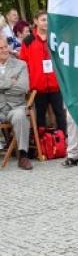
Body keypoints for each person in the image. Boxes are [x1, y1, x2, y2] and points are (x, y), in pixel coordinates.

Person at [19, 10, 67, 136]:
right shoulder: (28, 41)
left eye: (47, 20)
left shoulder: (55, 38)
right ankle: (43, 141)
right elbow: (23, 63)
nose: (46, 22)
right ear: (36, 21)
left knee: (60, 113)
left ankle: (63, 139)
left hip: (55, 84)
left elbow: (63, 59)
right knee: (40, 115)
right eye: (43, 20)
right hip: (38, 87)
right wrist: (28, 82)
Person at [0, 35, 32, 170]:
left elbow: (23, 88)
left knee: (20, 116)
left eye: (5, 47)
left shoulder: (20, 65)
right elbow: (14, 87)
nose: (4, 50)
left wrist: (2, 88)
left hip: (15, 106)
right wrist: (10, 83)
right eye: (0, 48)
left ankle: (23, 155)